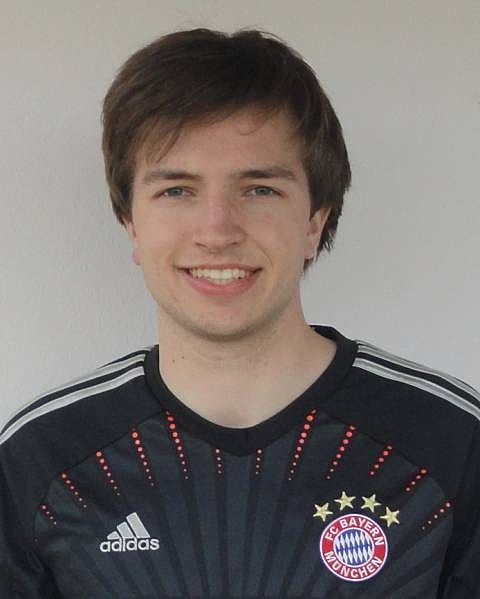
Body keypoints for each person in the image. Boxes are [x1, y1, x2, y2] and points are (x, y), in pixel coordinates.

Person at [1, 27, 479, 599]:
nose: (217, 231)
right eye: (176, 190)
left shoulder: (451, 442)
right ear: (131, 223)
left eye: (259, 190)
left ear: (315, 220)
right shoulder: (40, 458)